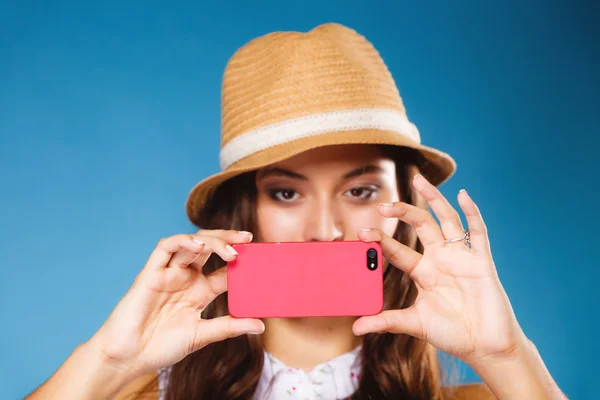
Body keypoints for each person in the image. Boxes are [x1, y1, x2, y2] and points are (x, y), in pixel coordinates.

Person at [25, 23, 567, 400]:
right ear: (246, 211)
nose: (326, 231)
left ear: (405, 207)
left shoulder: (494, 390)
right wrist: (109, 364)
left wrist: (507, 355)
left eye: (360, 192)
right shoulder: (132, 394)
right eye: (287, 193)